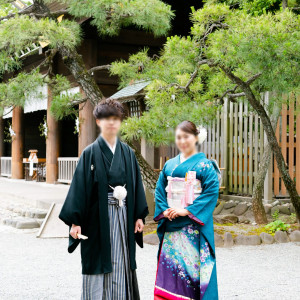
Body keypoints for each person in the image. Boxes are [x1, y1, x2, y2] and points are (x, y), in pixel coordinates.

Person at [59, 98, 149, 300]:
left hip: (124, 215)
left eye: (116, 118)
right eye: (107, 118)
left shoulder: (128, 153)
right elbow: (79, 188)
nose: (111, 123)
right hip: (97, 219)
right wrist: (75, 221)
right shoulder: (89, 153)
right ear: (98, 121)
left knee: (121, 260)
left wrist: (139, 216)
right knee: (98, 260)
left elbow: (135, 186)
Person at [153, 120, 220, 300]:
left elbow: (212, 191)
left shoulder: (205, 165)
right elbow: (159, 190)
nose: (182, 141)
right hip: (172, 223)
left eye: (186, 137)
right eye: (179, 137)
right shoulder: (169, 165)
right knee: (171, 268)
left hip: (192, 227)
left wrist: (187, 211)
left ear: (196, 138)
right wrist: (165, 210)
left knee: (191, 271)